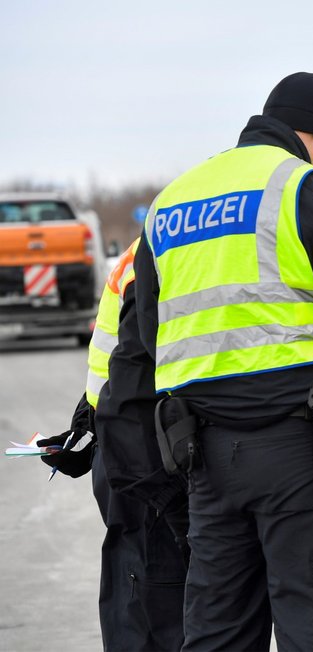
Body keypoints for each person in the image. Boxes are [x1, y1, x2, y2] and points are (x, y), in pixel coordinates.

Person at [117, 72, 313, 651]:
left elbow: (153, 337)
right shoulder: (305, 188)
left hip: (201, 452)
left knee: (219, 623)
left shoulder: (170, 203)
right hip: (296, 445)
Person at [39, 238, 189, 651]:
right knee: (164, 598)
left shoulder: (145, 243)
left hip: (120, 437)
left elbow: (114, 357)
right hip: (153, 447)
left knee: (133, 591)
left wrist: (86, 423)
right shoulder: (179, 247)